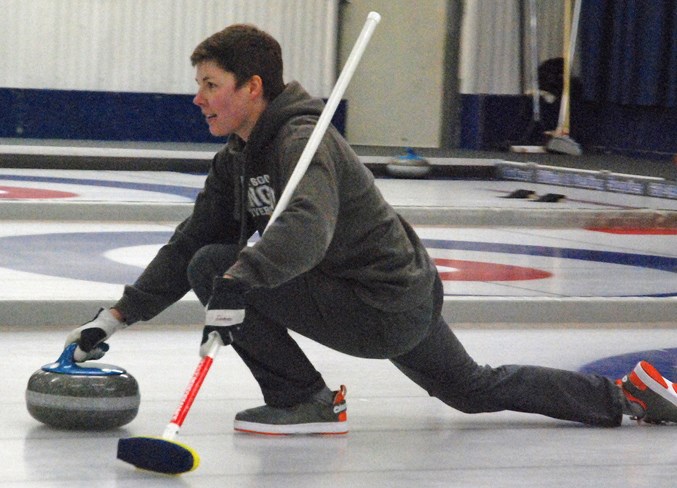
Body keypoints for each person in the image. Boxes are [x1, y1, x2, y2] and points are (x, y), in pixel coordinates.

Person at [65, 24, 677, 435]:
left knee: (216, 268)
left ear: (252, 88)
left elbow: (307, 228)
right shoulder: (238, 158)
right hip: (389, 292)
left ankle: (303, 400)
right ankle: (626, 396)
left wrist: (241, 278)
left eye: (210, 85)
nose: (197, 98)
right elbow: (191, 238)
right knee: (470, 388)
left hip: (380, 300)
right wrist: (117, 316)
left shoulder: (302, 142)